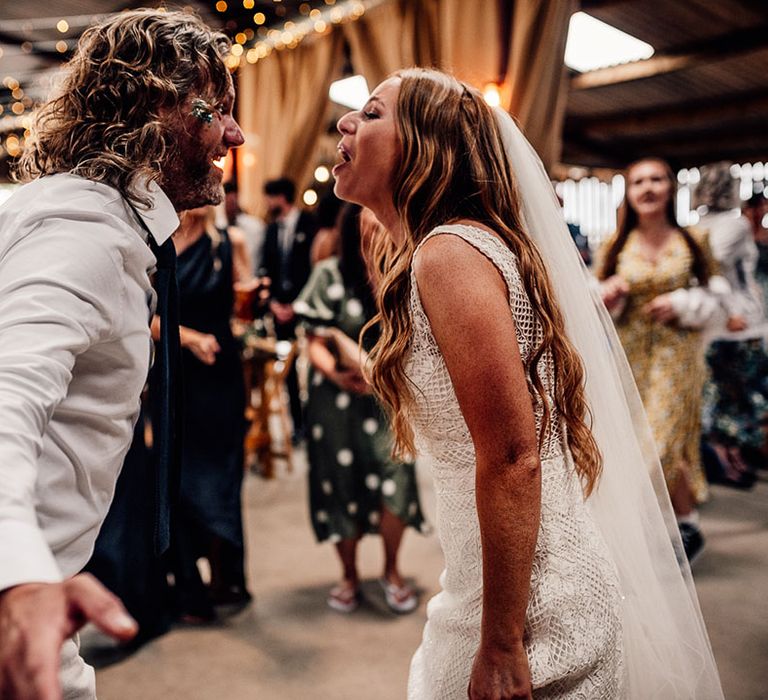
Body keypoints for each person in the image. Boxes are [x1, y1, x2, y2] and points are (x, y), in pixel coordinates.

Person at [333, 68, 723, 699]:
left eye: (373, 113)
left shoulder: (449, 253)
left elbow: (516, 457)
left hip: (535, 609)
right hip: (488, 584)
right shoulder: (446, 251)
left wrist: (503, 644)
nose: (347, 122)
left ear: (429, 146)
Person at [0, 9, 244, 699]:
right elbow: (6, 399)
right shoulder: (82, 234)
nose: (235, 133)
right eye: (213, 111)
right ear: (149, 110)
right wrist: (18, 580)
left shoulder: (91, 217)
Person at [294, 204, 426, 614]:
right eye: (369, 226)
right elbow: (313, 340)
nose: (378, 233)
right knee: (340, 483)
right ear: (353, 231)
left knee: (395, 480)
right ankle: (348, 575)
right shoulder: (329, 275)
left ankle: (392, 571)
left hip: (387, 400)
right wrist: (338, 373)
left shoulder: (403, 277)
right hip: (335, 401)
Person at [596, 157, 719, 562]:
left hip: (677, 356)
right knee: (641, 441)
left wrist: (685, 302)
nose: (648, 188)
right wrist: (608, 296)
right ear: (628, 194)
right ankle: (687, 524)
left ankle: (630, 529)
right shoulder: (614, 244)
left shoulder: (694, 240)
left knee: (662, 441)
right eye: (638, 182)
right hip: (630, 358)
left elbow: (718, 296)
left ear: (671, 187)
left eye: (657, 179)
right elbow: (592, 299)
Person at [163, 205, 255, 620]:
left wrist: (254, 301)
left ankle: (226, 579)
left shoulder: (227, 243)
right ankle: (187, 585)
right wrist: (189, 338)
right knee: (179, 480)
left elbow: (243, 310)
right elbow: (142, 315)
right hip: (177, 377)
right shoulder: (158, 243)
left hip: (222, 375)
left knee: (224, 476)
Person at [696, 164, 768, 487]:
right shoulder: (735, 225)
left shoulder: (697, 225)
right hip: (740, 323)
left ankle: (729, 458)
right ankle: (729, 459)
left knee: (722, 394)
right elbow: (712, 266)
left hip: (717, 325)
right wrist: (728, 313)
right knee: (742, 396)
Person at [260, 177, 317, 442]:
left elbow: (316, 267)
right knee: (289, 368)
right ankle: (298, 424)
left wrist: (298, 304)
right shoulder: (271, 230)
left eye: (270, 197)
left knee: (315, 362)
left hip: (306, 305)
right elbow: (267, 269)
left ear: (281, 197)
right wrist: (273, 302)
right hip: (280, 307)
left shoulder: (309, 223)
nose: (267, 203)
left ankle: (316, 421)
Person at [223, 181, 267, 274]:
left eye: (233, 201)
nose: (231, 205)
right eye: (228, 201)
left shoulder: (255, 226)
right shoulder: (216, 228)